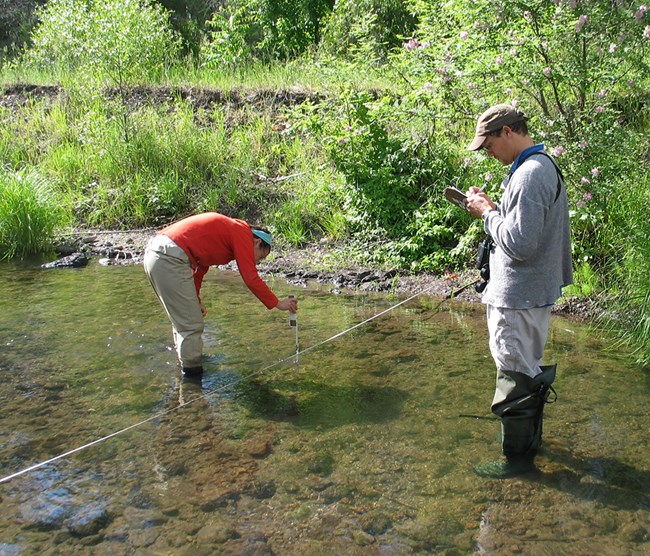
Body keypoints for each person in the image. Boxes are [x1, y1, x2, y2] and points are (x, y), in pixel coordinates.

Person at [464, 104, 573, 478]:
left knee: (514, 379)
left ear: (508, 132)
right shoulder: (539, 167)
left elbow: (521, 244)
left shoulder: (529, 174)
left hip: (518, 297)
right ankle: (529, 447)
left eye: (489, 144)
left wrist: (486, 214)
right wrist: (496, 208)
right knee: (526, 373)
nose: (488, 153)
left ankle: (516, 463)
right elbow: (526, 230)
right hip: (530, 295)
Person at [143, 212, 298, 379]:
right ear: (257, 242)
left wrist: (196, 299)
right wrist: (278, 304)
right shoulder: (242, 233)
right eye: (260, 257)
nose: (256, 262)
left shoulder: (229, 233)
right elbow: (250, 277)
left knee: (184, 321)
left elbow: (200, 268)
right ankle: (192, 382)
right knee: (191, 326)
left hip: (157, 254)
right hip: (169, 258)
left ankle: (186, 367)